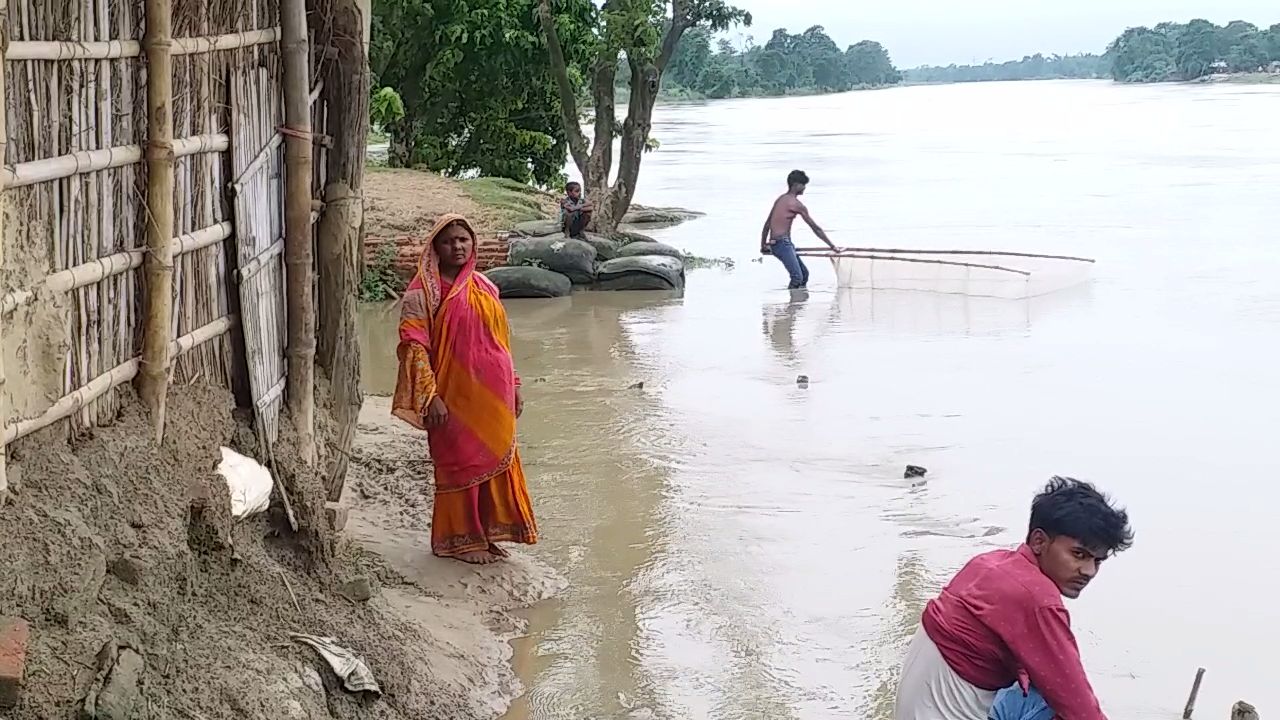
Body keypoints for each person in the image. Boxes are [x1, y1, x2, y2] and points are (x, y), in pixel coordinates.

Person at [894, 477, 1134, 720]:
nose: (1089, 571)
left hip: (915, 711)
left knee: (1039, 691)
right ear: (1039, 541)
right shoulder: (1036, 598)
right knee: (1058, 705)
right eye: (1078, 554)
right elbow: (1079, 707)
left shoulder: (990, 564)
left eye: (1097, 560)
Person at [391, 213, 538, 565]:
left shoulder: (485, 287)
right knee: (459, 463)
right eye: (448, 241)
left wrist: (514, 386)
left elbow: (501, 342)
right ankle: (459, 539)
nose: (457, 246)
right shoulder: (422, 293)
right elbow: (415, 348)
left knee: (495, 459)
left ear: (473, 245)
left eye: (463, 240)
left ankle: (485, 534)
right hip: (451, 397)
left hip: (494, 394)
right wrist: (430, 397)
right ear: (435, 248)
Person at [760, 169, 837, 289]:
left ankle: (797, 304)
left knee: (804, 275)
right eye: (803, 185)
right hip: (782, 243)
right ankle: (790, 307)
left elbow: (767, 224)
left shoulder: (781, 199)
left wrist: (764, 245)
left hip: (777, 243)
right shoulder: (795, 204)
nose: (805, 188)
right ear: (796, 185)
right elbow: (815, 228)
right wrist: (832, 246)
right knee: (797, 277)